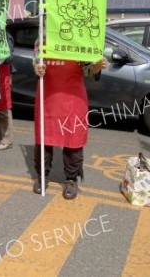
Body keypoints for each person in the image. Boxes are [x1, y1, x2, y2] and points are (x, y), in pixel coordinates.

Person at [33, 49, 109, 199]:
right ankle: (42, 175)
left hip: (73, 99)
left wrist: (97, 66)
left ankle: (71, 179)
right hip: (48, 97)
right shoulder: (42, 39)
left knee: (73, 139)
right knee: (44, 138)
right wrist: (37, 68)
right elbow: (36, 61)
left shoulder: (80, 41)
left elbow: (87, 71)